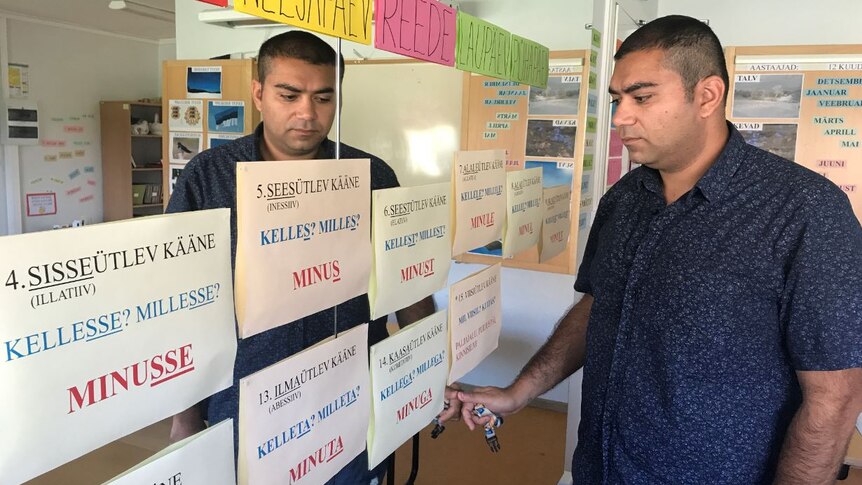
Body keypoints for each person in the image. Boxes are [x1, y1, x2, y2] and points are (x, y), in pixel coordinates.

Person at [457, 15, 862, 484]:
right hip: (602, 469)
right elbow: (598, 307)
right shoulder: (625, 199)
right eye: (617, 99)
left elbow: (835, 397)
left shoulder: (805, 211)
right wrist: (519, 391)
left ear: (706, 95)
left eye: (642, 97)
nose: (620, 117)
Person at [166, 30, 439, 484]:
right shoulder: (209, 178)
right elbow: (183, 304)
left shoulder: (371, 176)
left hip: (350, 397)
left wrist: (427, 368)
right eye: (289, 95)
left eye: (323, 98)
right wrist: (184, 413)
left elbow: (406, 284)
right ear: (258, 93)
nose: (307, 114)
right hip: (244, 404)